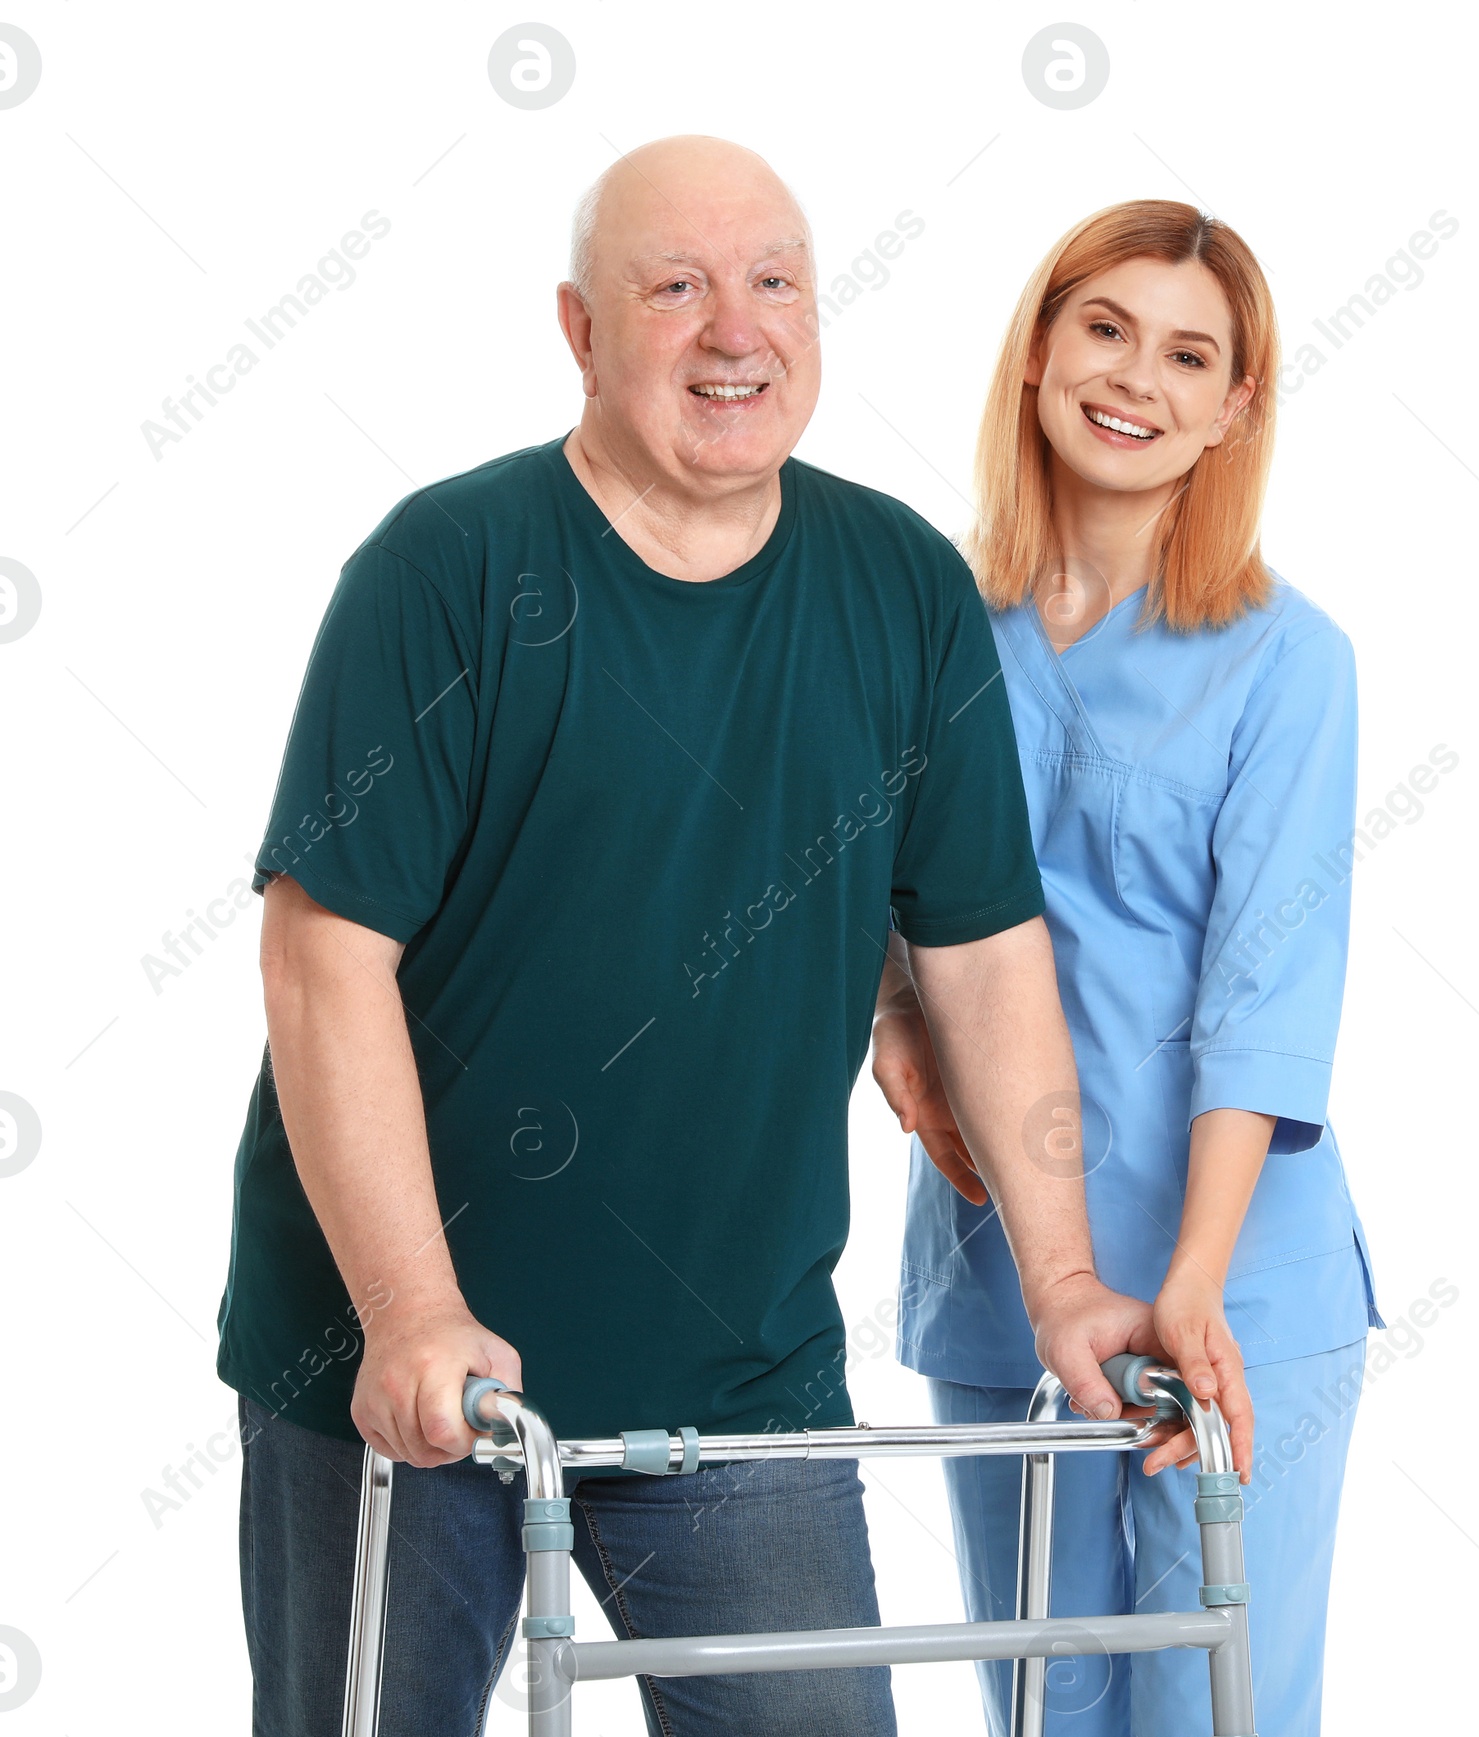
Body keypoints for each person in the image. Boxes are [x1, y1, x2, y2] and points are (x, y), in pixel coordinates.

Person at [217, 135, 1157, 1737]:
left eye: (776, 282)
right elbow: (324, 959)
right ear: (581, 331)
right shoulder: (449, 572)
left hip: (740, 1383)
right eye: (677, 288)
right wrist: (409, 1310)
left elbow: (986, 959)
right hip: (408, 1367)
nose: (739, 330)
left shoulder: (902, 589)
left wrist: (1064, 1277)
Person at [872, 201, 1385, 1737]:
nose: (1136, 379)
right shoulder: (929, 629)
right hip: (996, 1281)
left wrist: (1195, 1281)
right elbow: (859, 889)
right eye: (1105, 328)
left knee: (1209, 1706)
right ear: (1039, 351)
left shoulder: (1290, 660)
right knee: (1041, 1706)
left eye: (1189, 355)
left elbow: (1266, 999)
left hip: (1230, 1285)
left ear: (1234, 408)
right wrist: (890, 1009)